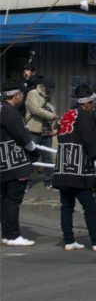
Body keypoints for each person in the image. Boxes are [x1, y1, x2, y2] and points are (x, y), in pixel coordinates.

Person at [53, 85, 96, 251]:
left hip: (62, 167)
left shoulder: (66, 115)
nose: (93, 105)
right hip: (78, 170)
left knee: (66, 207)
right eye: (92, 102)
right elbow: (89, 138)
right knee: (89, 206)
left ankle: (69, 241)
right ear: (87, 103)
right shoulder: (83, 116)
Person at [1, 75, 39, 246]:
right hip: (14, 162)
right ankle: (13, 235)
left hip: (4, 162)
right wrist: (34, 151)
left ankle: (7, 234)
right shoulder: (10, 112)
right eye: (22, 94)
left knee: (5, 199)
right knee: (13, 200)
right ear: (16, 94)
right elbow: (23, 137)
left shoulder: (2, 109)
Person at [24, 75, 58, 187]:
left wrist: (55, 128)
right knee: (30, 157)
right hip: (34, 130)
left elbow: (54, 111)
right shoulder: (32, 94)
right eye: (48, 90)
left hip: (47, 131)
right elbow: (36, 110)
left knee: (47, 158)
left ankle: (49, 181)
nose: (49, 92)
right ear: (42, 86)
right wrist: (52, 116)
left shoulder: (51, 98)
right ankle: (27, 182)